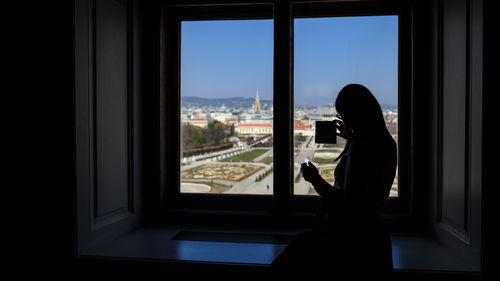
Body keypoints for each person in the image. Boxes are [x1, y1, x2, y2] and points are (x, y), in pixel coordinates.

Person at [272, 84, 397, 278]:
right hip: (374, 236)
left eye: (343, 114)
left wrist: (315, 180)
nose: (343, 119)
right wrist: (351, 139)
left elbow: (348, 204)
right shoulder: (388, 144)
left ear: (355, 114)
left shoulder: (360, 148)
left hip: (348, 237)